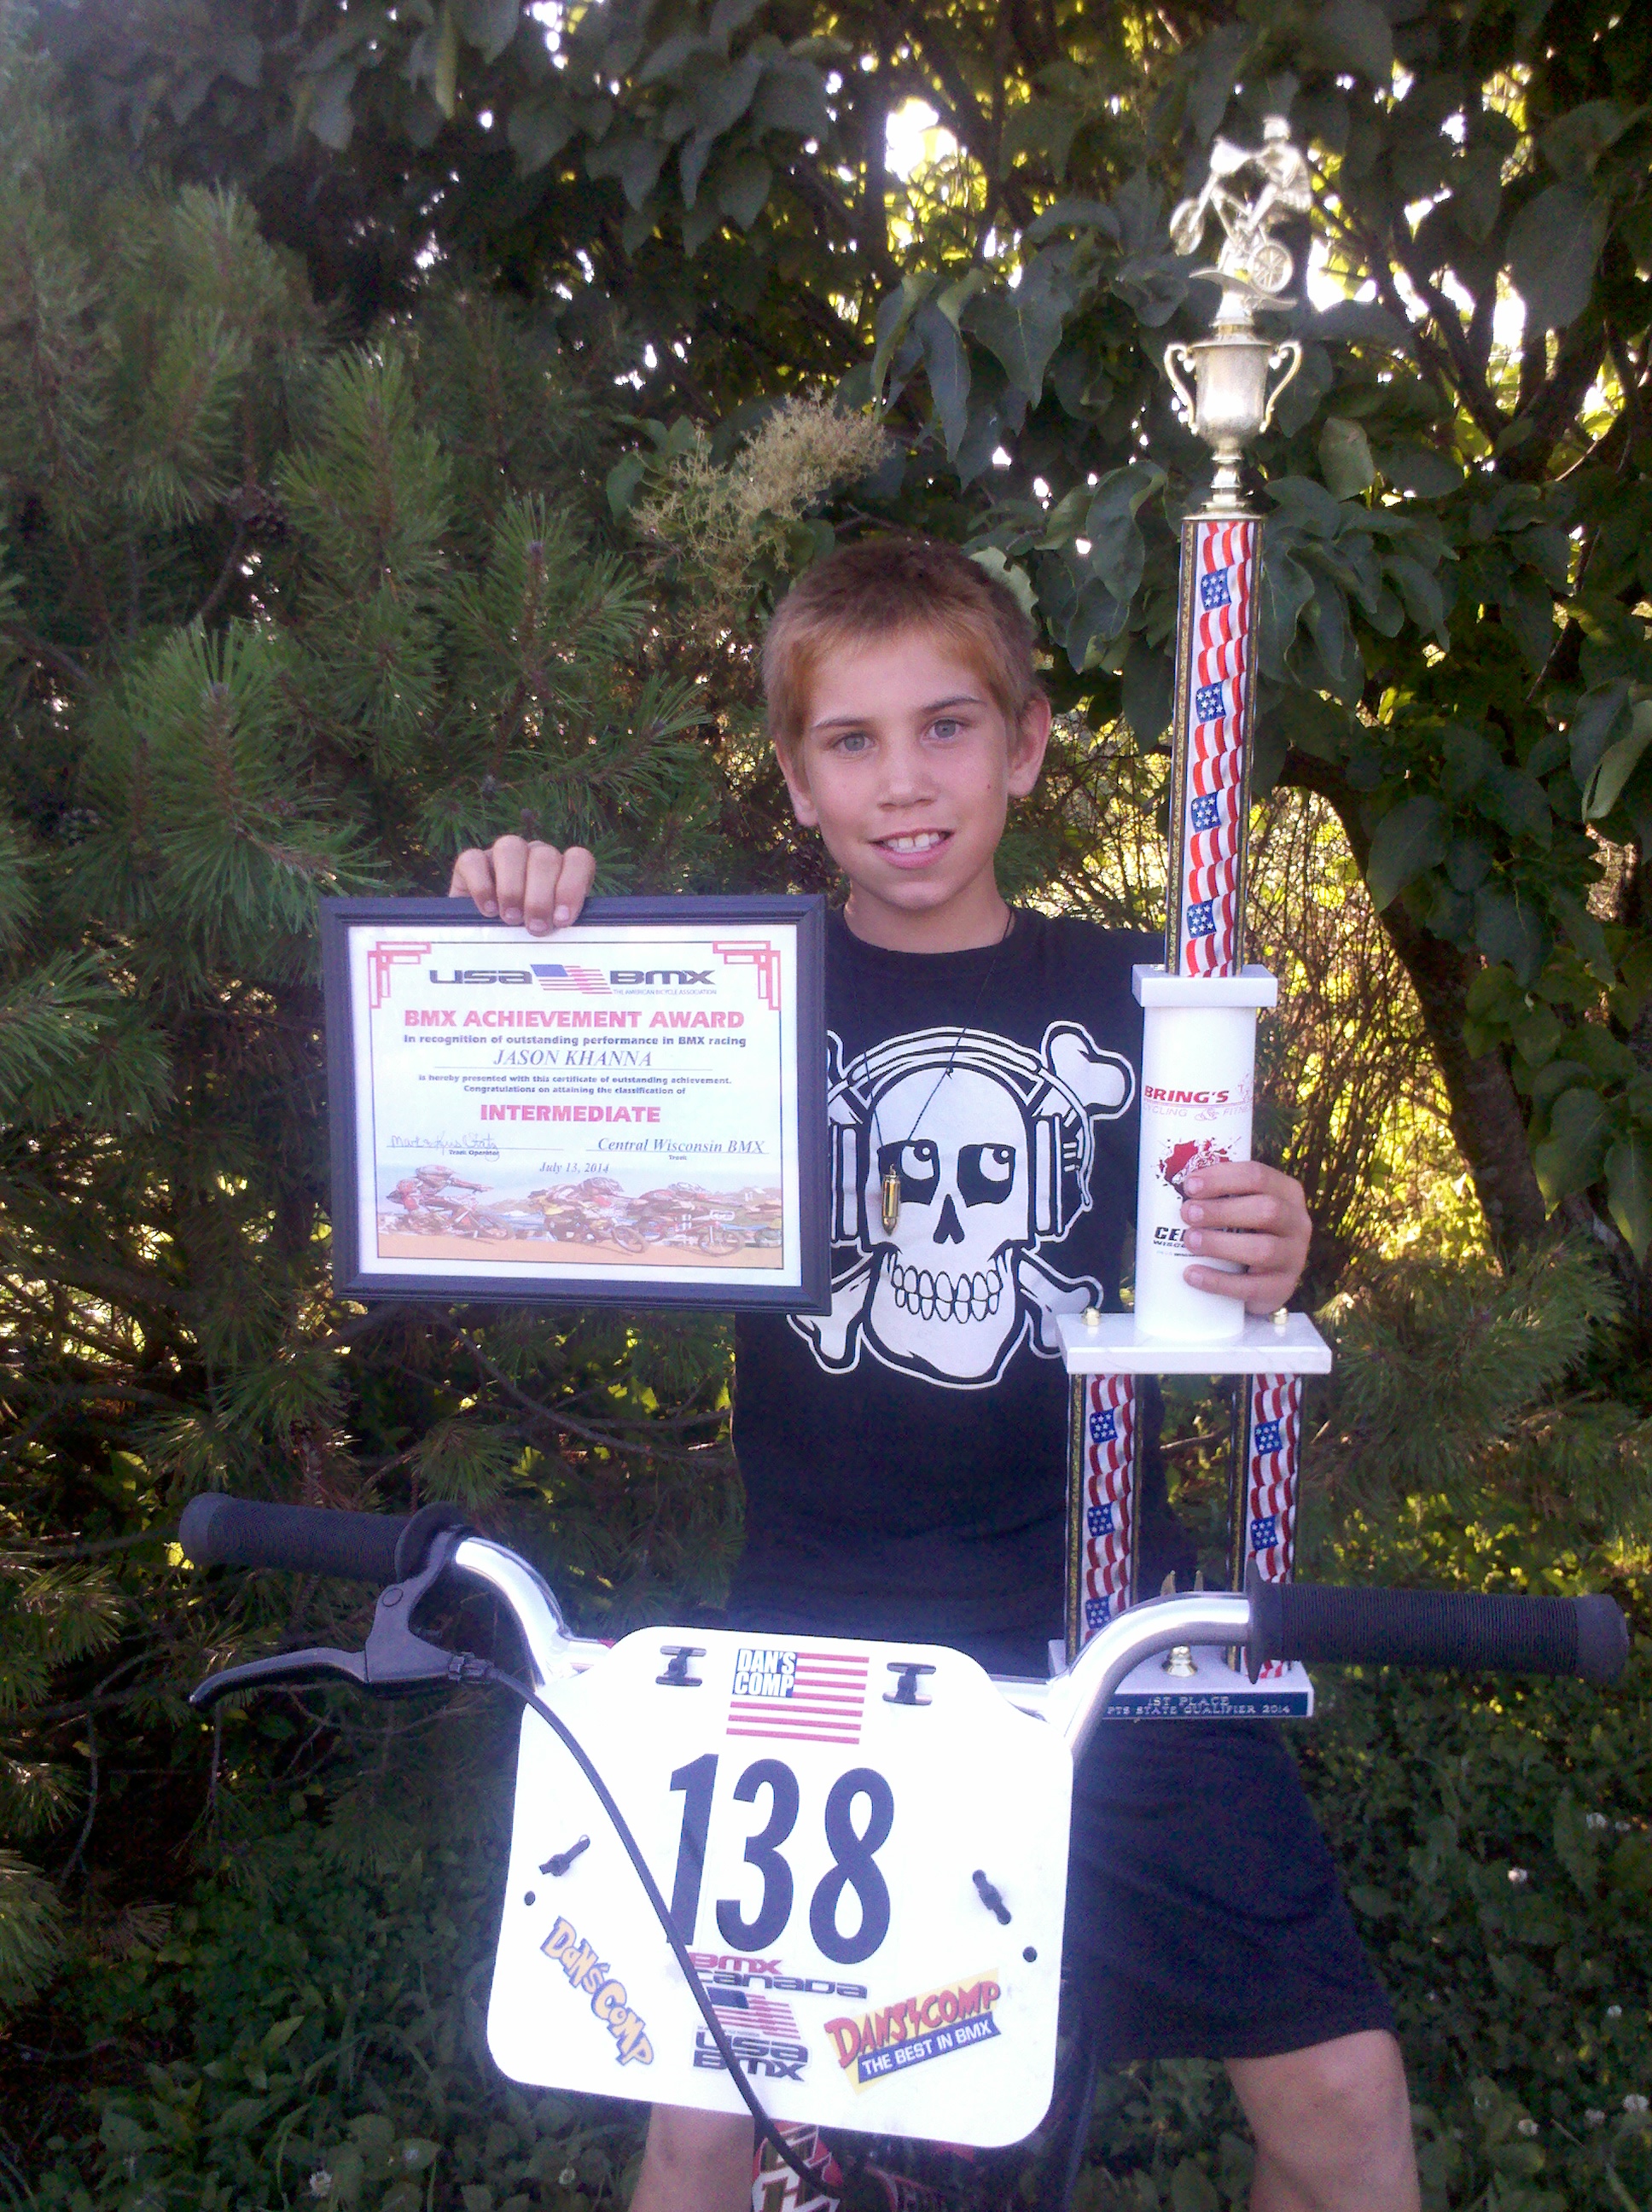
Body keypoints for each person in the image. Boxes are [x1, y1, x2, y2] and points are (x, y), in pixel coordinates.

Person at [448, 537, 1418, 2212]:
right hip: (813, 1637)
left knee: (1341, 2101)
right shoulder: (725, 995)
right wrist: (519, 933)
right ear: (796, 778)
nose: (903, 781)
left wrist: (1269, 1240)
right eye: (852, 740)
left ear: (1026, 744)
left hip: (1100, 1620)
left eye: (946, 727)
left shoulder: (1142, 1001)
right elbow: (513, 1099)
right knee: (705, 2126)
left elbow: (1221, 1256)